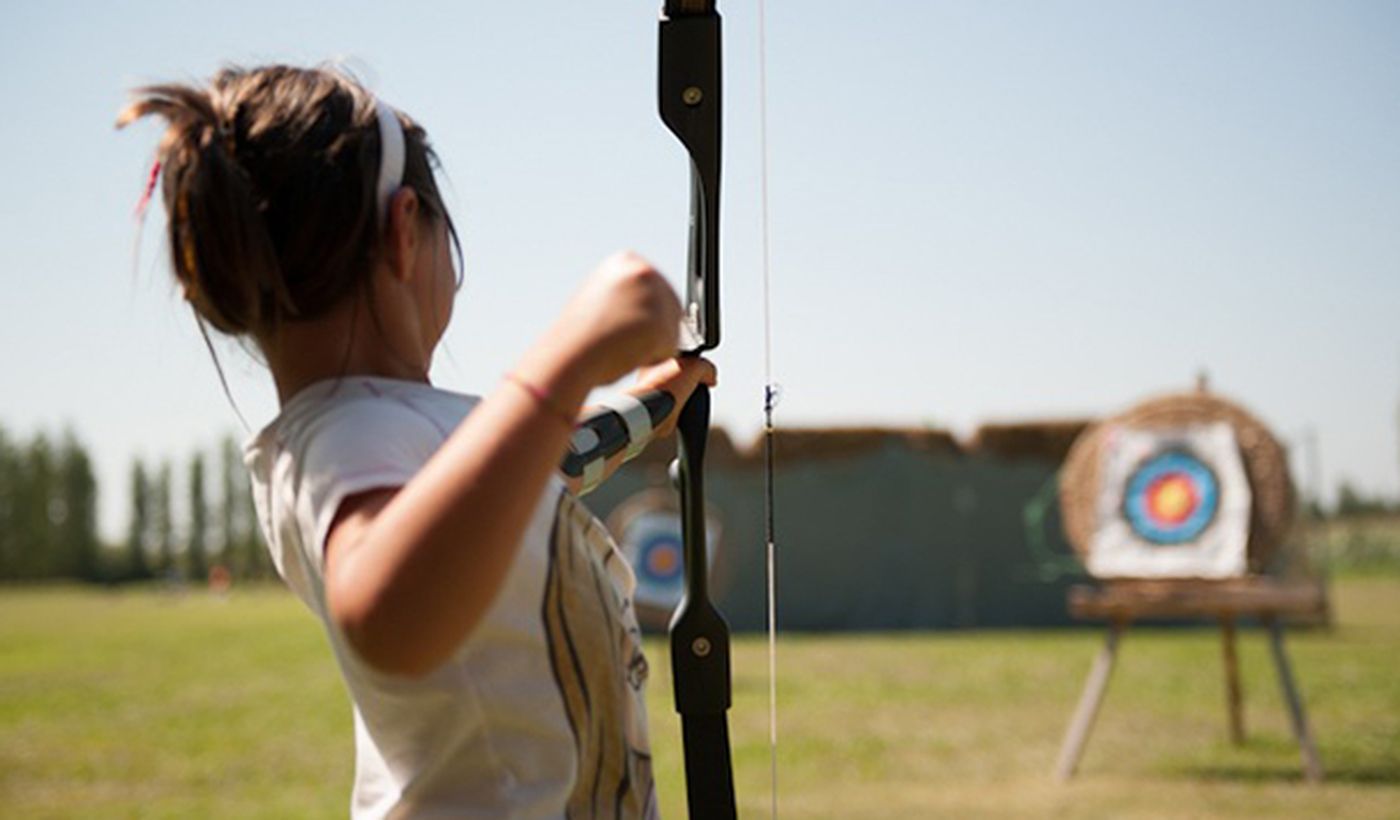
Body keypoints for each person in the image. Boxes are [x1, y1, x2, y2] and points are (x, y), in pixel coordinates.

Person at [118, 64, 715, 819]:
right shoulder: (340, 436)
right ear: (405, 231)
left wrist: (649, 404)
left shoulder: (393, 434)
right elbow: (388, 611)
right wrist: (562, 361)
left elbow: (531, 476)